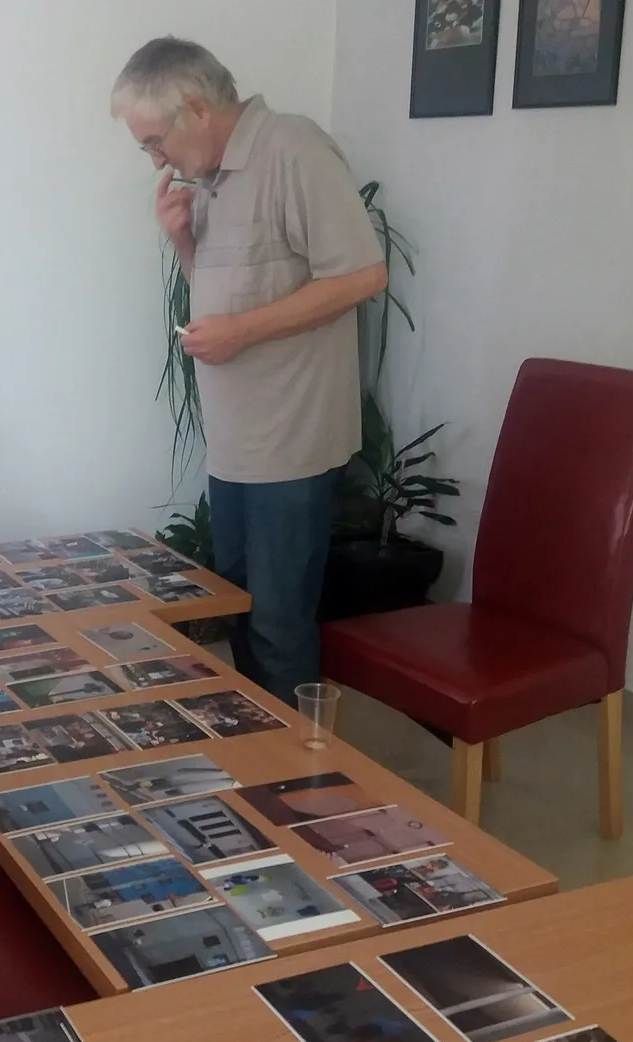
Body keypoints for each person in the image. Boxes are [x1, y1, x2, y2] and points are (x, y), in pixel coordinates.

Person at [111, 38, 388, 703]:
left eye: (154, 142)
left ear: (196, 109)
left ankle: (301, 765)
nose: (156, 159)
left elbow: (361, 275)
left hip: (291, 441)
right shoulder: (211, 179)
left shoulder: (294, 150)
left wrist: (241, 332)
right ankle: (258, 745)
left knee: (278, 623)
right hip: (236, 442)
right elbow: (223, 299)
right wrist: (183, 240)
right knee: (238, 607)